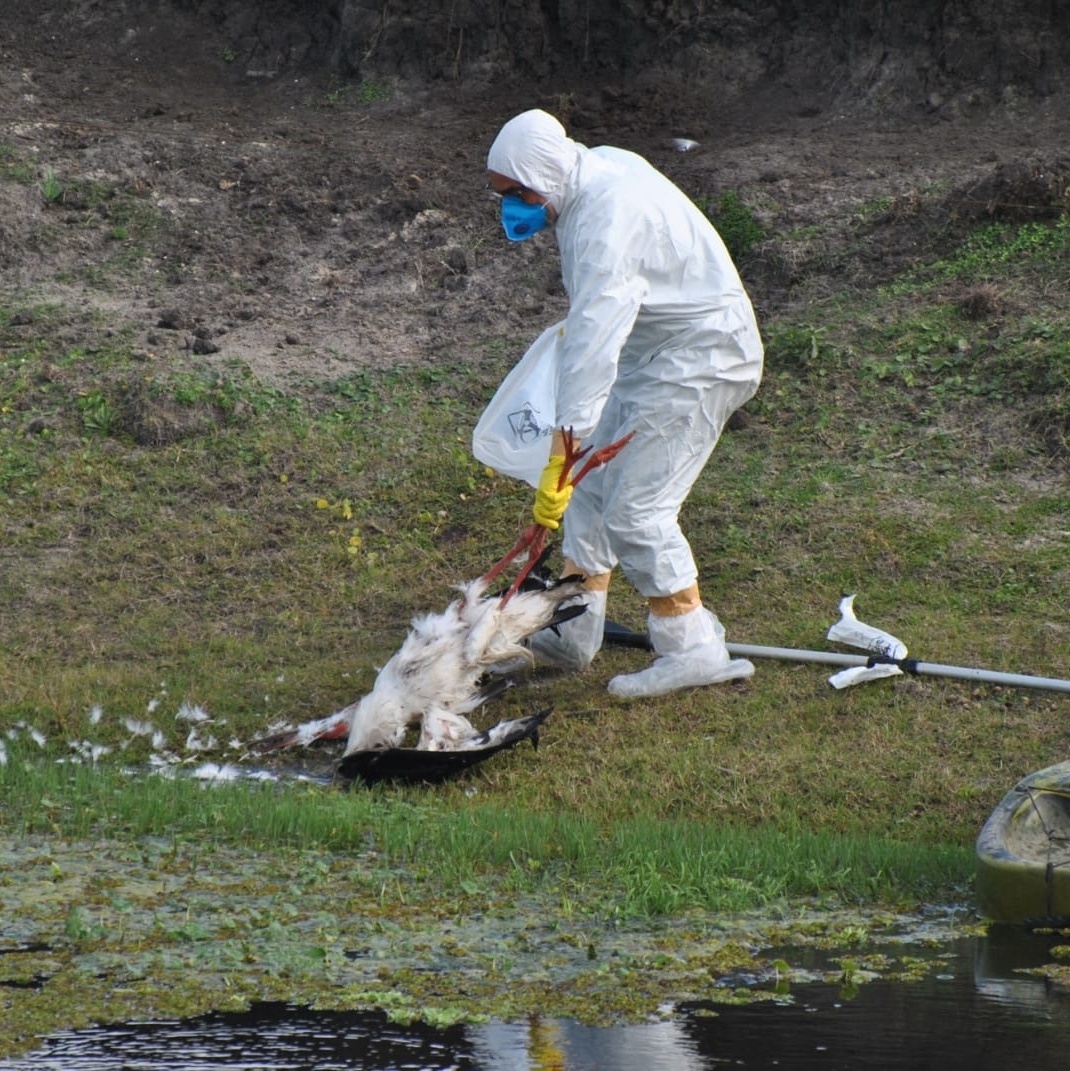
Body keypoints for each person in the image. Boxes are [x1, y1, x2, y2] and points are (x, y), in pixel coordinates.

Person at [485, 109, 764, 699]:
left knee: (638, 509)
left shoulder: (607, 219)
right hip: (657, 357)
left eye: (516, 192)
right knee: (591, 487)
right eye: (503, 194)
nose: (511, 205)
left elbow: (593, 336)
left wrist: (563, 448)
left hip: (703, 359)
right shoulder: (590, 172)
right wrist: (572, 465)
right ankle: (572, 630)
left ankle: (693, 649)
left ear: (543, 174)